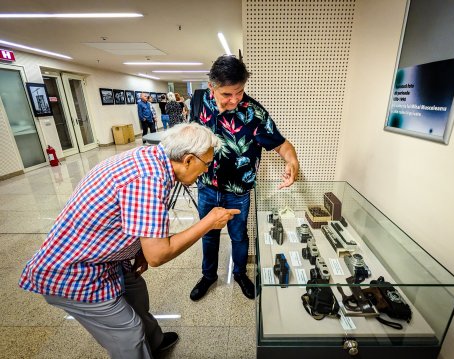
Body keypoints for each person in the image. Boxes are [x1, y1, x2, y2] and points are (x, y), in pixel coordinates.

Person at [18, 123, 240, 359]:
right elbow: (159, 255)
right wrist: (208, 222)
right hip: (75, 271)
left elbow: (135, 222)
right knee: (128, 334)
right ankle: (140, 346)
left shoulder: (152, 158)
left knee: (136, 293)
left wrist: (139, 250)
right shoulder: (148, 179)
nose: (206, 171)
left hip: (108, 257)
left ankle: (154, 343)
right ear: (187, 160)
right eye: (206, 164)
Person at [189, 55, 299, 301]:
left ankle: (239, 273)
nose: (235, 99)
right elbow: (189, 142)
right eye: (227, 94)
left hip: (238, 191)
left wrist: (293, 162)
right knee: (208, 234)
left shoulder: (254, 112)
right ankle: (208, 276)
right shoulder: (197, 103)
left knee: (239, 235)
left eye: (239, 92)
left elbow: (282, 145)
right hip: (207, 186)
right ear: (212, 87)